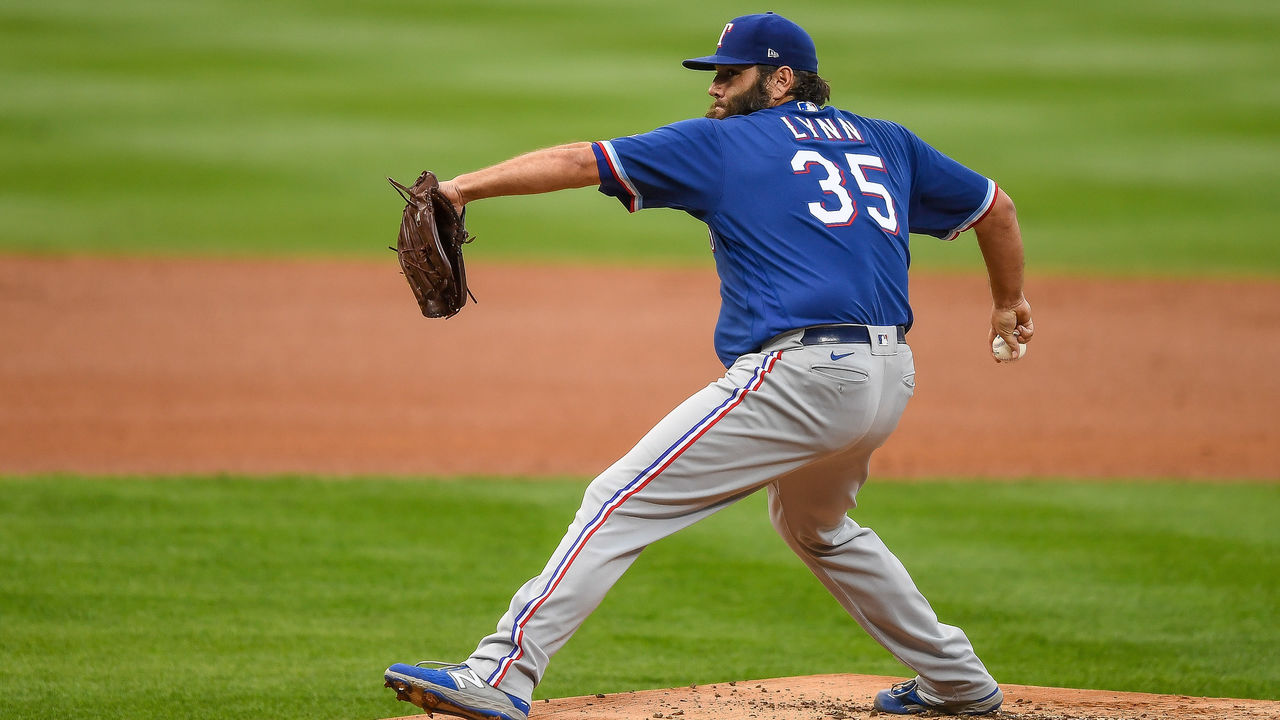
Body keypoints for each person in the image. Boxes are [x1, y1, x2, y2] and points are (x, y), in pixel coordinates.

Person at [383, 11, 1032, 719]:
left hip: (803, 377)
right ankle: (959, 681)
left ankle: (501, 674)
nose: (715, 89)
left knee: (618, 500)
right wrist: (1008, 304)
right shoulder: (887, 139)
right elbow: (994, 207)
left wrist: (459, 190)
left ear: (781, 79)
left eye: (731, 73)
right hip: (887, 377)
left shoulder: (724, 144)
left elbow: (581, 159)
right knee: (818, 528)